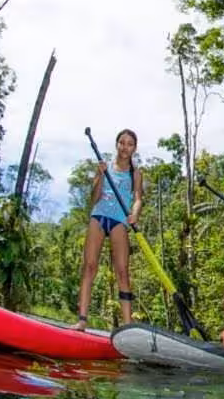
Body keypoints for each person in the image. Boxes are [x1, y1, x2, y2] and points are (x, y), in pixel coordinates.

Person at [71, 129, 143, 331]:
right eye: (122, 142)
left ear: (134, 148)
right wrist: (100, 176)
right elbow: (93, 198)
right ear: (116, 144)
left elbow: (138, 198)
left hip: (120, 220)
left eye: (129, 144)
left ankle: (128, 326)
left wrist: (135, 214)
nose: (125, 147)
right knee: (90, 266)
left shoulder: (135, 173)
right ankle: (82, 320)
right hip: (99, 216)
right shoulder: (104, 167)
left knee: (122, 271)